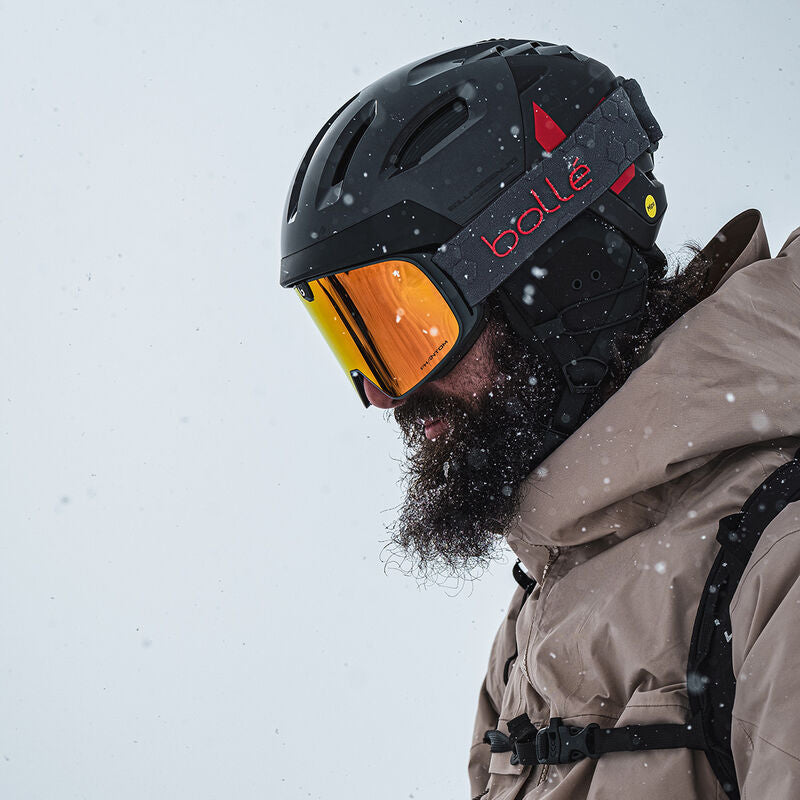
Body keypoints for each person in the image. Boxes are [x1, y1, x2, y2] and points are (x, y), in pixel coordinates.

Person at [279, 38, 800, 799]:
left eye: (407, 328)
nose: (382, 396)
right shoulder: (543, 601)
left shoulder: (776, 571)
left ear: (554, 283)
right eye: (354, 336)